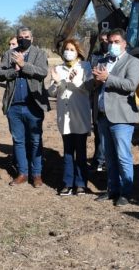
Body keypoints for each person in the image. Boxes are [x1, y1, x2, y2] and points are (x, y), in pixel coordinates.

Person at [89, 28, 139, 206]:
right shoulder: (103, 61)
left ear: (125, 44)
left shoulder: (133, 61)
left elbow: (130, 85)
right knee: (109, 157)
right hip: (103, 116)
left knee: (123, 156)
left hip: (121, 117)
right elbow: (94, 85)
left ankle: (126, 192)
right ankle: (112, 190)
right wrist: (96, 81)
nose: (112, 45)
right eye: (110, 42)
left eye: (116, 42)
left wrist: (108, 77)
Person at [0, 26, 50, 187]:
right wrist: (14, 70)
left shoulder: (40, 54)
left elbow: (42, 72)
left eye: (26, 36)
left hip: (33, 104)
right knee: (18, 141)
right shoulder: (9, 54)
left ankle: (37, 174)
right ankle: (22, 173)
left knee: (35, 140)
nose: (23, 39)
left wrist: (24, 65)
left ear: (32, 38)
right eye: (20, 37)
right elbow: (0, 74)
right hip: (14, 105)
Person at [48, 38, 93, 196]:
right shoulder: (58, 68)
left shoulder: (85, 66)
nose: (69, 52)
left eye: (72, 49)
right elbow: (52, 93)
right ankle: (67, 183)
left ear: (78, 51)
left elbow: (89, 87)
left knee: (80, 151)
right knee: (67, 151)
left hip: (79, 115)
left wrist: (77, 80)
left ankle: (80, 184)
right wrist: (55, 82)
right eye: (67, 49)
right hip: (64, 118)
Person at [88, 29, 110, 172]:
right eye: (101, 41)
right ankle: (99, 159)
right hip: (96, 97)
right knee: (98, 129)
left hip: (111, 98)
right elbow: (90, 74)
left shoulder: (117, 57)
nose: (104, 43)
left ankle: (106, 160)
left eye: (107, 40)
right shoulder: (95, 56)